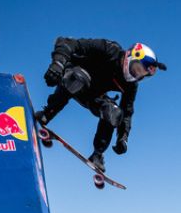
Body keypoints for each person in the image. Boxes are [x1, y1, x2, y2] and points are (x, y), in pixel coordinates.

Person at [35, 37, 166, 172]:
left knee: (114, 112)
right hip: (73, 75)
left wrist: (123, 137)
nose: (136, 75)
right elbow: (66, 42)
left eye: (141, 74)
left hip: (93, 95)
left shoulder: (131, 85)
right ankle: (47, 113)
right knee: (79, 79)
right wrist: (58, 64)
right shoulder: (110, 49)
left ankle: (97, 155)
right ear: (130, 57)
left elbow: (127, 111)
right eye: (137, 68)